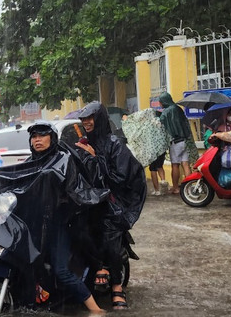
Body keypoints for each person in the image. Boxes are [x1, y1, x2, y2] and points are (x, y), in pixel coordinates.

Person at [25, 121, 106, 314]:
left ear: (52, 138)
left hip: (61, 224)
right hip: (37, 225)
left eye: (42, 136)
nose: (37, 140)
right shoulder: (29, 163)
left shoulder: (64, 160)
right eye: (34, 137)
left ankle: (96, 309)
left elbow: (73, 190)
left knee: (61, 270)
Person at [73, 102, 146, 311]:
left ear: (100, 118)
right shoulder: (82, 142)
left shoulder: (115, 145)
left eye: (90, 118)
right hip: (88, 201)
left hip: (112, 202)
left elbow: (121, 177)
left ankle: (116, 287)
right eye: (83, 119)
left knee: (110, 234)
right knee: (76, 230)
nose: (86, 122)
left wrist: (96, 159)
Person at [157, 92, 193, 195]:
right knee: (186, 164)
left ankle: (176, 188)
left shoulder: (166, 112)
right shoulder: (178, 109)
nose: (160, 104)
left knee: (175, 165)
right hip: (185, 141)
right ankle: (189, 187)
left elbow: (161, 126)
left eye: (160, 102)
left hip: (175, 142)